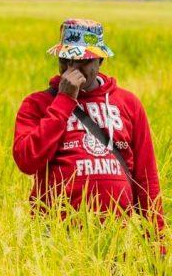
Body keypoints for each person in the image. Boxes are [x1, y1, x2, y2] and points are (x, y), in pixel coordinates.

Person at [12, 18, 163, 236]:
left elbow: (146, 178)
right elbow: (27, 160)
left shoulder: (128, 104)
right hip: (57, 235)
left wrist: (156, 243)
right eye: (65, 59)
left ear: (100, 60)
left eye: (81, 60)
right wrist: (64, 101)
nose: (71, 69)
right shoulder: (37, 104)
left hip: (119, 237)